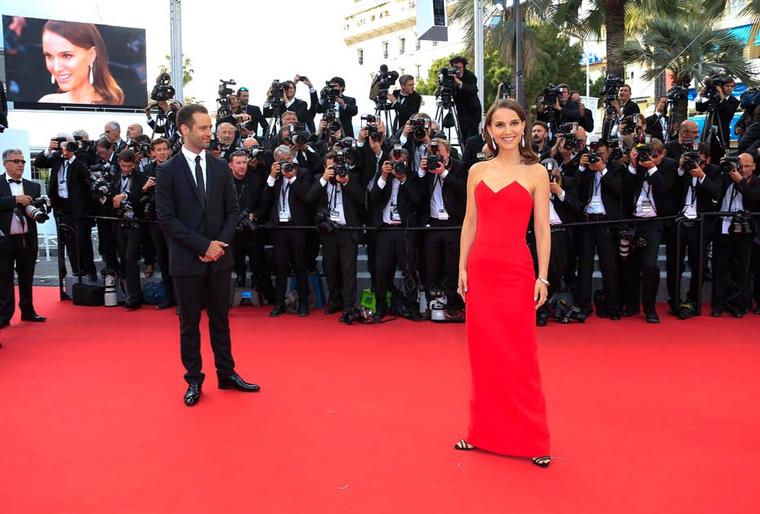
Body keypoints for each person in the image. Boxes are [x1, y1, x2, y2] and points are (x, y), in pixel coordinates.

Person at [455, 98, 551, 467]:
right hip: (481, 268)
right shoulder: (477, 171)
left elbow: (542, 228)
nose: (507, 130)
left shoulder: (536, 172)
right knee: (483, 355)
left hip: (516, 270)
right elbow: (469, 222)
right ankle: (481, 432)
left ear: (524, 126)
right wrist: (462, 267)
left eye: (514, 123)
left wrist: (543, 275)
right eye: (500, 125)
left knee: (520, 354)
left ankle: (533, 438)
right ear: (489, 131)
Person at [155, 104, 260, 406]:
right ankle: (194, 379)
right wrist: (203, 246)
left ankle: (226, 374)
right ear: (184, 129)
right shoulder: (167, 171)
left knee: (221, 320)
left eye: (209, 126)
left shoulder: (218, 167)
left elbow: (233, 212)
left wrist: (218, 245)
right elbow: (166, 219)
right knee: (189, 323)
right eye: (202, 127)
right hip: (187, 260)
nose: (208, 132)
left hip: (220, 259)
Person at [0, 149, 47, 328]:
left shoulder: (33, 186)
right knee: (4, 279)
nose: (20, 164)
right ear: (5, 163)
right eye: (16, 161)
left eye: (23, 161)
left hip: (27, 238)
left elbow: (35, 211)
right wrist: (15, 200)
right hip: (4, 239)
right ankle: (5, 316)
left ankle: (28, 310)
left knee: (27, 277)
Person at [39, 20, 124, 105]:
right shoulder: (47, 102)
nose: (56, 68)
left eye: (67, 56)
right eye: (49, 56)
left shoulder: (112, 107)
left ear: (91, 56)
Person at [448, 56, 482, 141]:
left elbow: (473, 89)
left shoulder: (470, 76)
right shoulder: (450, 77)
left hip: (472, 111)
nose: (458, 70)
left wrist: (459, 82)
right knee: (462, 134)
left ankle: (472, 153)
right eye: (455, 68)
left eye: (459, 68)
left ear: (463, 67)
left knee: (471, 135)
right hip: (461, 110)